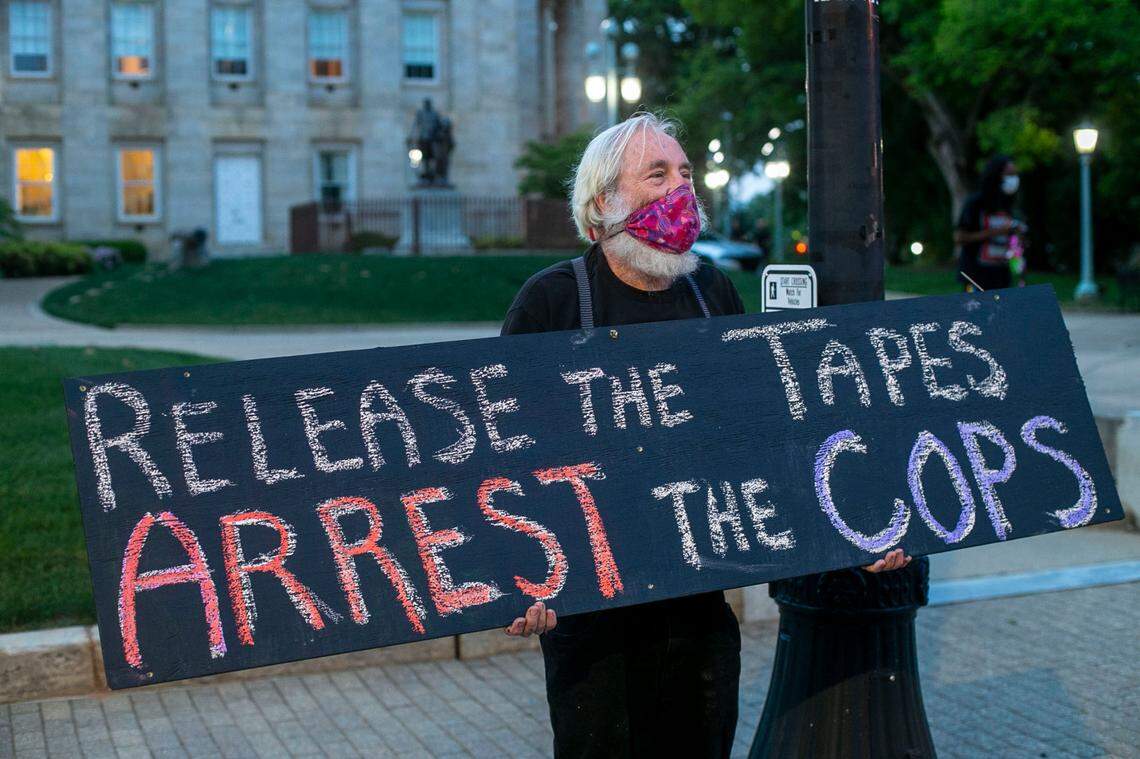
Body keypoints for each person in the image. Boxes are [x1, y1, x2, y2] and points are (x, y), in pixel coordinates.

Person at [499, 112, 912, 758]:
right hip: (594, 626)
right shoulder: (550, 302)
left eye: (685, 174)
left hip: (696, 618)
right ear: (603, 203)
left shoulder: (711, 291)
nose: (680, 190)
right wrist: (516, 579)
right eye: (657, 174)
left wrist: (846, 532)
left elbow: (763, 437)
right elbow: (506, 462)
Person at [955, 154, 1028, 291]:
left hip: (1001, 274)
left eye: (1015, 174)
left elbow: (1016, 245)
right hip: (975, 275)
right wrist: (997, 231)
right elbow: (959, 237)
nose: (1014, 179)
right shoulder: (976, 203)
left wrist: (1017, 235)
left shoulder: (1010, 206)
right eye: (1009, 174)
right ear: (996, 174)